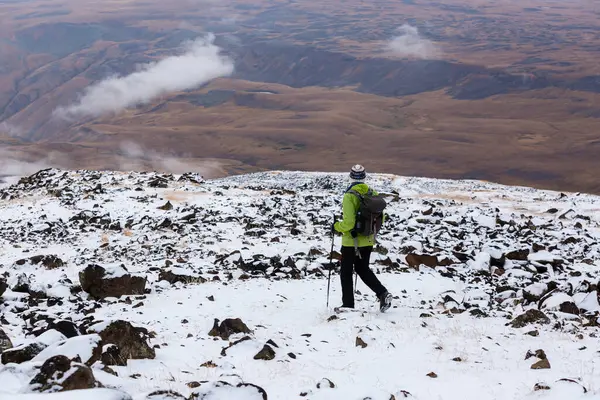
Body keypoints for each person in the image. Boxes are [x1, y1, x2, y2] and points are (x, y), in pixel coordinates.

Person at [333, 164, 393, 312]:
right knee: (362, 269)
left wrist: (336, 227)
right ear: (364, 177)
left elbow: (349, 223)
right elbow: (382, 218)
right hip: (368, 239)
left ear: (351, 176)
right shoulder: (372, 193)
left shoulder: (349, 196)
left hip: (350, 242)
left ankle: (348, 305)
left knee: (346, 272)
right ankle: (382, 293)